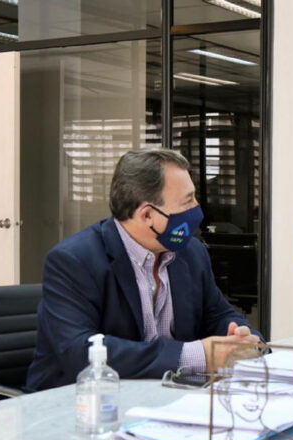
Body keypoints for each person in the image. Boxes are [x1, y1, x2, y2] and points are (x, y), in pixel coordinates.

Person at [26, 148, 262, 391]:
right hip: (83, 402)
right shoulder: (74, 261)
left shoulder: (191, 252)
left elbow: (218, 314)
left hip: (168, 398)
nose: (197, 208)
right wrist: (197, 355)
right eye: (188, 200)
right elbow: (79, 352)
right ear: (148, 215)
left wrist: (244, 340)